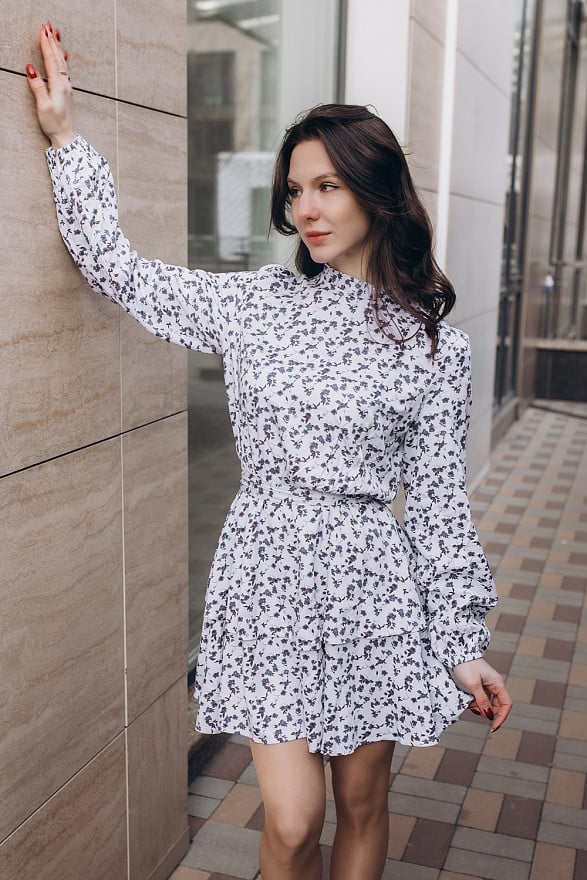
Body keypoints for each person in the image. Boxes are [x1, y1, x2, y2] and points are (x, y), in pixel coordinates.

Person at [27, 22, 513, 880]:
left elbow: (436, 505)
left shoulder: (435, 346)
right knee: (292, 821)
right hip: (267, 574)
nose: (307, 209)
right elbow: (123, 272)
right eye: (295, 190)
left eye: (327, 186)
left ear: (376, 192)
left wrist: (461, 642)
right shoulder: (260, 305)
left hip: (371, 586)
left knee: (362, 805)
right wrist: (66, 137)